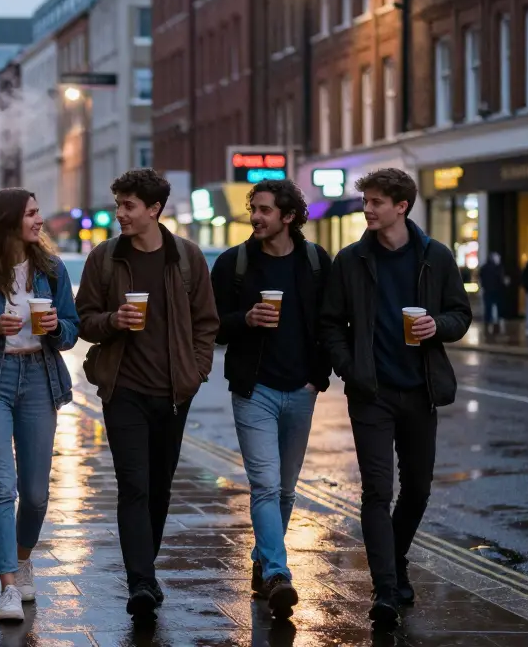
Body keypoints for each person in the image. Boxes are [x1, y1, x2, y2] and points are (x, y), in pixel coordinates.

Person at [318, 168, 471, 626]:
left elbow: (460, 314)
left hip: (420, 390)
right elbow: (330, 324)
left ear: (401, 206)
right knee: (376, 492)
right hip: (373, 394)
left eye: (376, 202)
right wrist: (351, 369)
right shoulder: (350, 260)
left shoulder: (435, 256)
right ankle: (384, 590)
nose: (367, 208)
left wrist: (436, 327)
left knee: (419, 489)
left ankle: (395, 558)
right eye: (366, 200)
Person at [74, 169, 220, 618]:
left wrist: (195, 373)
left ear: (154, 209)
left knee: (159, 487)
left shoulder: (187, 257)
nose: (120, 213)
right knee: (133, 484)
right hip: (124, 389)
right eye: (119, 204)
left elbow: (206, 323)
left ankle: (146, 568)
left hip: (174, 392)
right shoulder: (105, 258)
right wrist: (112, 321)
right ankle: (140, 579)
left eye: (128, 206)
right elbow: (84, 320)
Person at [0, 188, 80, 622]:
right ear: (8, 221)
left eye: (39, 212)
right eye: (32, 213)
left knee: (37, 494)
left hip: (40, 379)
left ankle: (23, 559)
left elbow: (72, 331)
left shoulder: (53, 269)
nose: (40, 220)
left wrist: (57, 328)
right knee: (1, 489)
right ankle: (7, 585)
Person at [210, 180, 331, 619]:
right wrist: (245, 318)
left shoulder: (317, 263)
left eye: (264, 210)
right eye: (253, 209)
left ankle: (262, 563)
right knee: (264, 483)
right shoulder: (233, 264)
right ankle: (279, 573)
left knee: (285, 489)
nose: (256, 217)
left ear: (288, 216)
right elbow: (211, 325)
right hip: (253, 390)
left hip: (301, 390)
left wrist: (317, 379)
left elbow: (332, 324)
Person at [478, 252, 508, 334]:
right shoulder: (498, 268)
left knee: (488, 308)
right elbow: (501, 280)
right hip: (496, 291)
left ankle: (488, 324)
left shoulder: (484, 267)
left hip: (487, 291)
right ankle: (496, 324)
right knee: (497, 307)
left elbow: (481, 278)